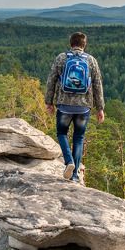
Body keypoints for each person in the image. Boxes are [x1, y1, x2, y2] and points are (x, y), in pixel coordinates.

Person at [45, 31, 104, 183]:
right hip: (83, 107)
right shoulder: (91, 60)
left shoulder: (61, 58)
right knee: (79, 138)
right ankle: (75, 175)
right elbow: (97, 85)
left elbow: (51, 80)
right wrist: (100, 108)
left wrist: (48, 102)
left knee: (62, 133)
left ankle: (69, 161)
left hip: (64, 105)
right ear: (84, 45)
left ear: (71, 43)